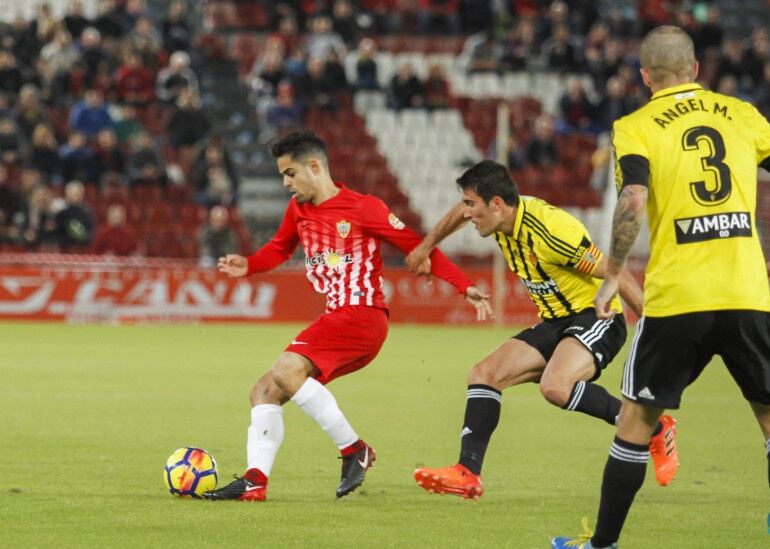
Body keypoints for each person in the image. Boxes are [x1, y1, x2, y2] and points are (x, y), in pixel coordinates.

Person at [552, 26, 770, 549]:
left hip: (679, 298)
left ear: (646, 77)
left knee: (636, 421)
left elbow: (631, 199)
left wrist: (611, 274)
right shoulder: (741, 114)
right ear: (696, 69)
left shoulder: (637, 125)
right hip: (746, 292)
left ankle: (602, 546)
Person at [203, 130, 491, 502]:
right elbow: (278, 249)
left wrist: (463, 284)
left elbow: (418, 249)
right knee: (263, 392)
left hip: (362, 315)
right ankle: (255, 481)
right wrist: (250, 264)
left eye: (289, 173)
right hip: (339, 317)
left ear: (314, 166)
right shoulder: (299, 211)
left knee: (286, 369)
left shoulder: (363, 207)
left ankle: (354, 449)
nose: (285, 183)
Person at [404, 160, 679, 500]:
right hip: (556, 321)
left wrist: (654, 330)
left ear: (497, 205)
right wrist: (426, 245)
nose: (468, 215)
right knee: (483, 374)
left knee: (555, 386)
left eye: (473, 206)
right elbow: (459, 213)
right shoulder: (497, 217)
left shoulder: (550, 232)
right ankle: (467, 473)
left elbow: (615, 271)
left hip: (596, 318)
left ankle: (653, 428)